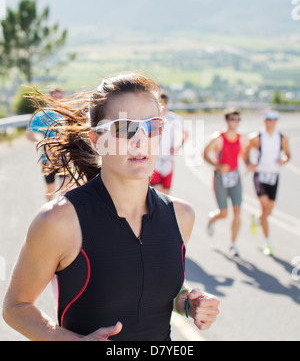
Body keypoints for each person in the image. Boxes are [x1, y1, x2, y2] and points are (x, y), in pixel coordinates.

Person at [3, 73, 220, 341]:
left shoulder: (181, 215)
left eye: (152, 126)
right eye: (125, 128)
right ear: (96, 139)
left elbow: (153, 286)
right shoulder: (59, 220)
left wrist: (187, 302)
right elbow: (16, 307)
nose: (141, 140)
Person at [244, 110, 291, 256]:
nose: (272, 122)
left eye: (275, 119)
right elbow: (245, 152)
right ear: (264, 120)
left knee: (268, 212)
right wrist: (248, 164)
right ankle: (267, 242)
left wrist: (283, 159)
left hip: (273, 176)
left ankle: (257, 220)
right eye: (270, 119)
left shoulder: (282, 138)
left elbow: (288, 155)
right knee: (265, 209)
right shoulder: (256, 137)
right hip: (260, 176)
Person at [203, 109, 247, 257]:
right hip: (221, 178)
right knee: (224, 213)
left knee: (237, 211)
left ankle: (233, 244)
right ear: (227, 120)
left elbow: (242, 154)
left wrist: (249, 164)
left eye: (238, 119)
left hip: (235, 178)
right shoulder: (218, 138)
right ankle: (213, 218)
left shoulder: (241, 138)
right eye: (233, 119)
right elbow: (204, 153)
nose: (235, 122)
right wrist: (218, 166)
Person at [26, 87, 66, 201]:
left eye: (60, 97)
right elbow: (29, 133)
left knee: (65, 190)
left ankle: (62, 215)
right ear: (50, 98)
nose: (58, 99)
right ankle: (49, 212)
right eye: (55, 97)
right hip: (48, 159)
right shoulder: (43, 114)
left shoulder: (67, 113)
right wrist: (40, 142)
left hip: (64, 157)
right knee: (51, 190)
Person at [150, 92, 189, 195]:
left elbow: (186, 133)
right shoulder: (150, 119)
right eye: (160, 102)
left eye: (165, 102)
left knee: (166, 194)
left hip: (168, 160)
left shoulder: (174, 118)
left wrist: (178, 147)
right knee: (157, 191)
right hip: (154, 160)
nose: (163, 105)